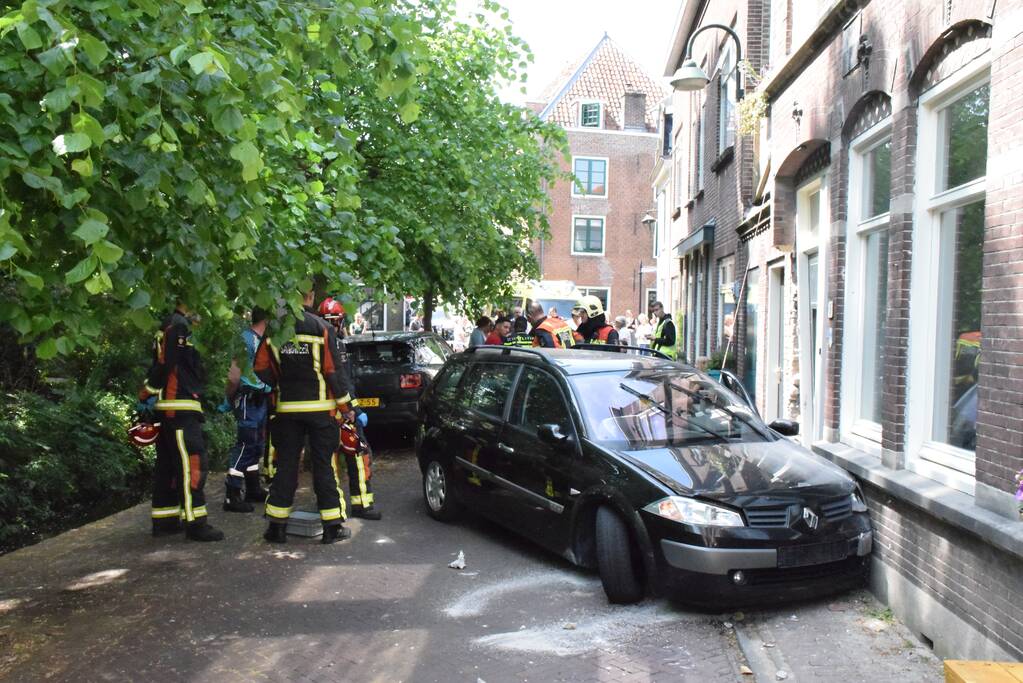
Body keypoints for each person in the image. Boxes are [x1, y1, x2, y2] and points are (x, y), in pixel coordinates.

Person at [254, 289, 355, 545]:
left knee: (286, 466)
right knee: (324, 466)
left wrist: (279, 381)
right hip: (321, 411)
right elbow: (333, 371)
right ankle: (332, 527)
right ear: (309, 297)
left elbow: (261, 367)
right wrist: (346, 408)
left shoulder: (275, 330)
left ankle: (276, 528)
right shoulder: (321, 327)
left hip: (287, 409)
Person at [139, 302, 224, 541]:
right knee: (193, 464)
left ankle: (165, 521)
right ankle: (196, 523)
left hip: (171, 408)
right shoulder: (177, 326)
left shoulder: (169, 324)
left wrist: (149, 392)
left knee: (168, 467)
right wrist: (148, 390)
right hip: (179, 408)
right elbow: (167, 364)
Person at [319, 297, 381, 521]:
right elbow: (343, 381)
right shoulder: (336, 345)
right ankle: (361, 505)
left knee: (330, 462)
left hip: (324, 414)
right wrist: (354, 408)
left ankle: (335, 511)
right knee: (358, 455)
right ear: (338, 321)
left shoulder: (318, 342)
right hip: (343, 412)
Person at [222, 307, 273, 513]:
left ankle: (253, 488)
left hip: (260, 400)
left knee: (257, 445)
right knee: (245, 444)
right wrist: (230, 398)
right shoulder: (245, 339)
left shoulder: (263, 341)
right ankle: (232, 494)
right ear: (267, 319)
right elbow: (234, 375)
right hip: (246, 399)